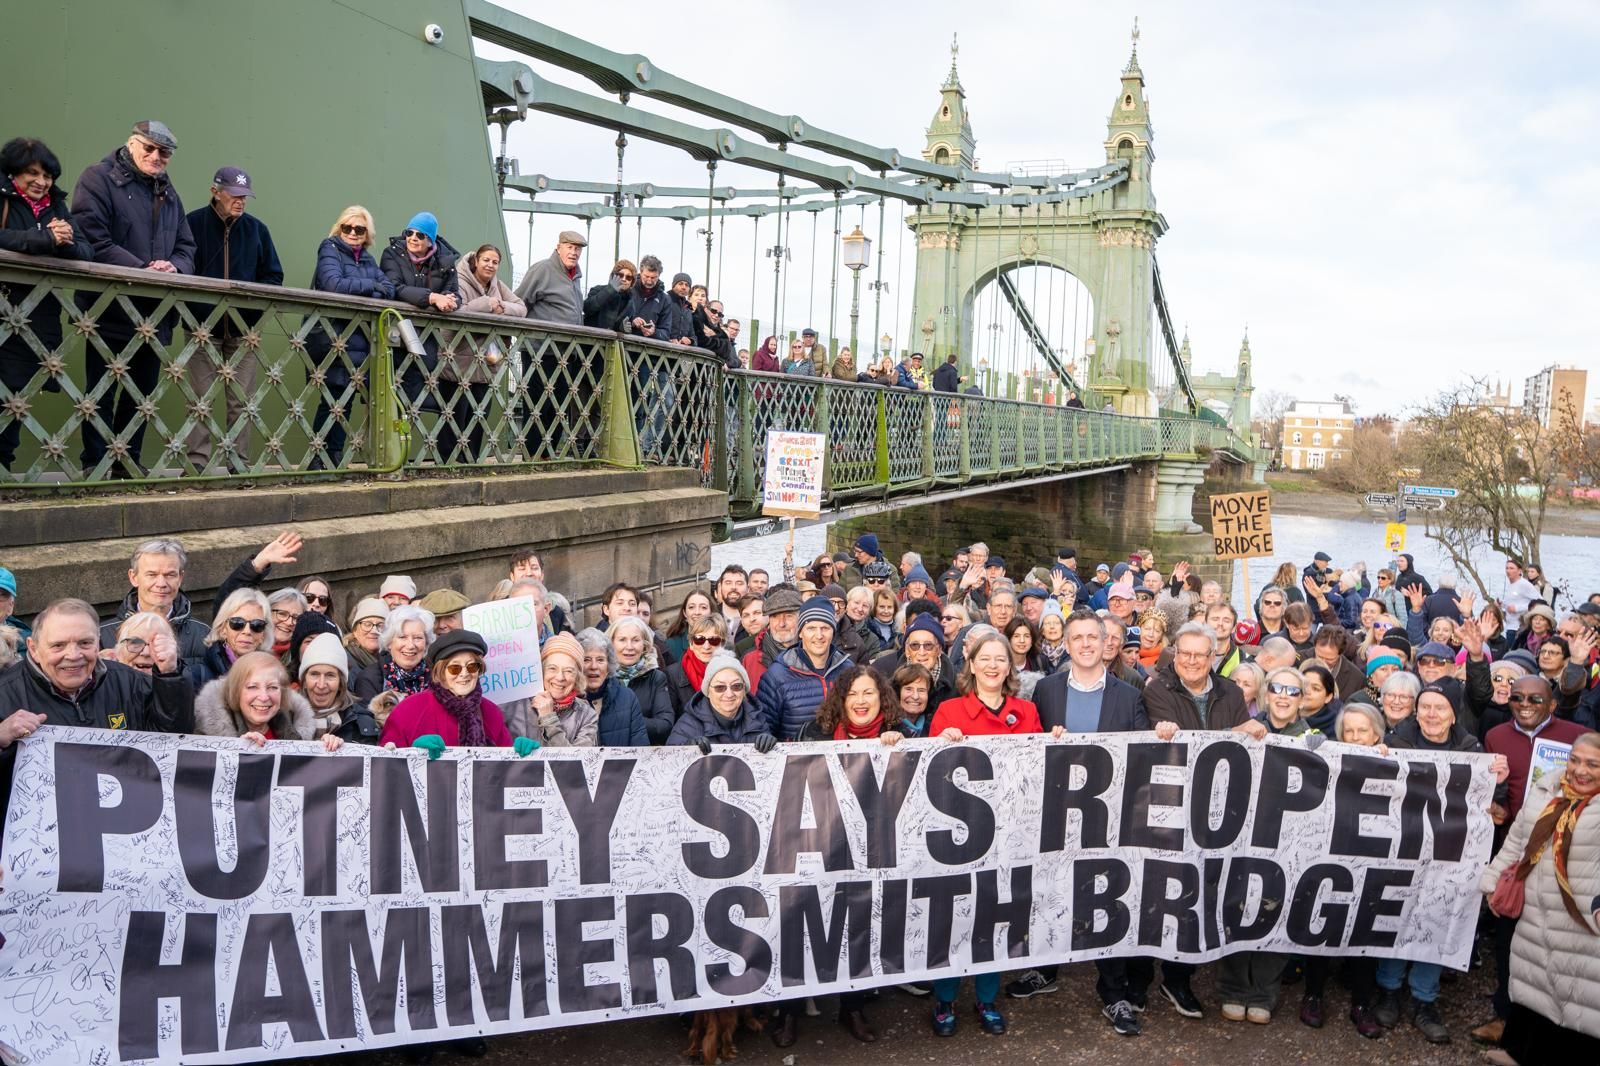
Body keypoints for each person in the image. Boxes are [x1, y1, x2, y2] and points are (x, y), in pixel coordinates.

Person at [770, 665, 905, 1046]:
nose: (861, 702)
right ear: (840, 700)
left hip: (868, 850)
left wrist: (899, 746)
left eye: (869, 693)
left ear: (882, 698)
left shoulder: (898, 735)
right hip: (816, 842)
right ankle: (789, 1011)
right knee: (801, 921)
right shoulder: (815, 732)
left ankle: (852, 1006)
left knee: (858, 923)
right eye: (853, 694)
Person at [926, 631, 1041, 1037]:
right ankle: (944, 999)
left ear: (1010, 667)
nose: (993, 666)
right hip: (960, 835)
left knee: (994, 914)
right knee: (953, 915)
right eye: (985, 659)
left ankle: (986, 998)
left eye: (1000, 659)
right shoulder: (949, 711)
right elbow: (930, 776)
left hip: (1009, 833)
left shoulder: (1026, 711)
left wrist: (1057, 742)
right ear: (971, 664)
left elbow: (1038, 766)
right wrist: (941, 744)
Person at [1377, 683, 1505, 1044]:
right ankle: (1388, 989)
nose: (1432, 714)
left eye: (1440, 707)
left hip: (1448, 855)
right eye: (1425, 707)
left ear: (1453, 714)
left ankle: (1425, 999)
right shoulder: (1396, 742)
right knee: (1395, 915)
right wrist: (1375, 755)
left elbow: (1493, 805)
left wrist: (1497, 779)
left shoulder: (1471, 749)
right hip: (1402, 849)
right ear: (1416, 712)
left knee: (1436, 916)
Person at [71, 120, 196, 474]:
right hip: (108, 308)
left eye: (164, 153)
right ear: (131, 144)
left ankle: (128, 464)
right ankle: (95, 465)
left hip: (154, 314)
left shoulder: (169, 193)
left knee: (141, 396)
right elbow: (93, 239)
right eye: (149, 148)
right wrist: (143, 269)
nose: (157, 157)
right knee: (100, 392)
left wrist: (174, 267)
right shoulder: (97, 179)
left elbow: (187, 246)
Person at [0, 599, 193, 822]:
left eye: (84, 643)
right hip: (42, 834)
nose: (73, 655)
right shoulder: (5, 694)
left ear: (98, 642)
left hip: (124, 826)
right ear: (33, 648)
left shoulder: (131, 683)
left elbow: (174, 744)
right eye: (58, 645)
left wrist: (170, 676)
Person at [1479, 731, 1600, 1063]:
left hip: (1582, 920)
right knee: (1534, 984)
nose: (1580, 770)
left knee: (1581, 997)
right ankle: (1521, 1054)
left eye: (1593, 764)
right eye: (1575, 760)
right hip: (1535, 911)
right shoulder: (1546, 789)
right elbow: (1517, 842)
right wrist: (1492, 881)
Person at [182, 165, 283, 470]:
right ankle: (197, 466)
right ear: (216, 192)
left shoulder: (257, 229)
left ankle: (237, 465)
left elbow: (273, 276)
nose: (241, 201)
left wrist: (251, 312)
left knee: (241, 401)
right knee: (200, 400)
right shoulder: (192, 224)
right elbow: (182, 269)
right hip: (201, 328)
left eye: (245, 196)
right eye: (235, 195)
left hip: (243, 331)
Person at [0, 138, 91, 472]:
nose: (42, 182)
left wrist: (64, 240)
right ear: (13, 173)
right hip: (6, 311)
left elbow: (86, 251)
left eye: (48, 176)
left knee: (17, 399)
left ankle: (3, 471)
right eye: (32, 174)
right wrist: (44, 238)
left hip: (38, 319)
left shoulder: (57, 205)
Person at [308, 205, 395, 466]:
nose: (353, 233)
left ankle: (335, 457)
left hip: (358, 340)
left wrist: (370, 288)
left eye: (360, 229)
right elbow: (333, 284)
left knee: (347, 399)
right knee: (333, 399)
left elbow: (389, 289)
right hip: (334, 336)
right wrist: (371, 286)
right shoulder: (330, 248)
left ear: (367, 233)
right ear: (340, 228)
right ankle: (319, 458)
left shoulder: (367, 258)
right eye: (348, 227)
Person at [381, 211, 459, 437]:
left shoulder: (445, 263)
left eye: (420, 235)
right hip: (394, 337)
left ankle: (402, 441)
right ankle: (389, 445)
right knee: (390, 397)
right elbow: (395, 287)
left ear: (431, 241)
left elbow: (455, 293)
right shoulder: (392, 254)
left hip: (425, 341)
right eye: (409, 233)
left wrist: (452, 301)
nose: (413, 238)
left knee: (412, 403)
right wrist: (432, 298)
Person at [377, 629, 519, 754]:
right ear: (440, 672)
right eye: (455, 668)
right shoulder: (408, 710)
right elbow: (385, 763)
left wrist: (521, 756)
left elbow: (506, 767)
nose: (464, 674)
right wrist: (412, 753)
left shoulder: (491, 712)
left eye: (472, 666)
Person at [447, 243, 526, 462]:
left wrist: (501, 306)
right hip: (458, 361)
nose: (490, 265)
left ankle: (470, 461)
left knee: (479, 415)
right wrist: (486, 304)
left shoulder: (497, 285)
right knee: (454, 415)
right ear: (476, 261)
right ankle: (448, 462)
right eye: (486, 260)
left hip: (486, 362)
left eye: (495, 262)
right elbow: (459, 311)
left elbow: (521, 307)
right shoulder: (459, 281)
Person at [195, 650, 338, 749]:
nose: (264, 697)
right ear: (236, 692)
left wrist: (327, 747)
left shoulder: (298, 728)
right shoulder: (205, 739)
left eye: (272, 687)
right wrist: (240, 752)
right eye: (252, 687)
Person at [756, 596, 852, 741]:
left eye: (825, 628)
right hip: (796, 755)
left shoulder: (849, 670)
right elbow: (763, 726)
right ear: (800, 633)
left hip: (843, 754)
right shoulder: (777, 676)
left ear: (833, 632)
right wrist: (765, 738)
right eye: (811, 628)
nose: (819, 635)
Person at [98, 538, 210, 662]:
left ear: (180, 578)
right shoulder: (101, 635)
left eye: (170, 575)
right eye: (152, 575)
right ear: (133, 577)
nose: (161, 584)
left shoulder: (204, 635)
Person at [297, 631, 379, 743]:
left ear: (341, 683)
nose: (321, 685)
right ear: (304, 680)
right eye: (314, 674)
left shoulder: (362, 724)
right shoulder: (284, 719)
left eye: (330, 675)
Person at [574, 628, 647, 746]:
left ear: (609, 665)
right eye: (586, 659)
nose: (594, 666)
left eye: (600, 660)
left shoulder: (628, 698)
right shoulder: (568, 702)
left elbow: (640, 748)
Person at [609, 614, 675, 743]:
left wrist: (626, 721)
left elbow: (665, 725)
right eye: (622, 640)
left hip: (644, 750)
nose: (629, 647)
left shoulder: (656, 678)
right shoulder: (602, 676)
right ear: (611, 643)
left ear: (644, 644)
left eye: (635, 640)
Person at [190, 588, 271, 688]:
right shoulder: (196, 677)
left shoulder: (273, 675)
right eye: (237, 623)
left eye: (257, 625)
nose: (247, 631)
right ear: (223, 629)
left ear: (263, 634)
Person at [351, 605, 435, 701]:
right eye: (402, 637)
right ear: (389, 642)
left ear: (426, 643)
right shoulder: (370, 679)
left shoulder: (436, 676)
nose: (410, 645)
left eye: (418, 638)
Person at [516, 230, 585, 325]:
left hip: (570, 334)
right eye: (569, 247)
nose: (573, 252)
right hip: (543, 334)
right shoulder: (542, 269)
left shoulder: (576, 276)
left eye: (577, 249)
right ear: (559, 248)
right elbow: (518, 302)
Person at [666, 615, 727, 717]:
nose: (706, 646)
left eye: (713, 640)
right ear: (691, 643)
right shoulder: (672, 674)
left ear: (722, 644)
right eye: (699, 640)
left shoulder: (732, 672)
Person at [743, 586, 802, 690]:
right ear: (769, 621)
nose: (781, 624)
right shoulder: (750, 660)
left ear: (801, 619)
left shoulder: (816, 657)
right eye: (775, 616)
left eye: (789, 616)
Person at [104, 612, 176, 674]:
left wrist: (168, 674)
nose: (146, 653)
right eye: (135, 643)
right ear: (118, 651)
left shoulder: (180, 682)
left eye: (156, 644)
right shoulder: (102, 681)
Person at [662, 589, 715, 665]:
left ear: (711, 612)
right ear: (684, 613)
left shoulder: (721, 643)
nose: (697, 612)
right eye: (691, 607)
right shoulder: (671, 645)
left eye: (703, 607)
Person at [583, 259, 635, 330]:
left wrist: (622, 328)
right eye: (620, 275)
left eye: (628, 277)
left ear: (632, 282)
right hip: (591, 335)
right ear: (613, 276)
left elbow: (623, 325)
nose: (624, 279)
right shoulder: (598, 289)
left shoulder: (630, 303)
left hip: (612, 337)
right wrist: (610, 290)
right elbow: (587, 308)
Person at [343, 597, 388, 675]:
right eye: (367, 624)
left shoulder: (393, 659)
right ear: (355, 630)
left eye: (380, 625)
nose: (374, 631)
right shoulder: (344, 660)